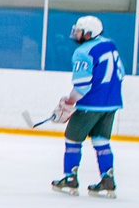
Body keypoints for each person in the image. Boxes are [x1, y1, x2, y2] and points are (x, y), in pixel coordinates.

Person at [51, 15, 124, 195]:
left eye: (79, 31)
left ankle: (70, 178)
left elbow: (83, 84)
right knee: (101, 141)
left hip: (90, 105)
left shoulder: (83, 52)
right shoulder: (109, 45)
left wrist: (70, 101)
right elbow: (121, 74)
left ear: (90, 33)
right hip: (111, 104)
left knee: (72, 139)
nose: (76, 34)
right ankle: (108, 179)